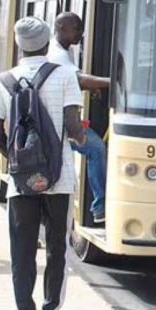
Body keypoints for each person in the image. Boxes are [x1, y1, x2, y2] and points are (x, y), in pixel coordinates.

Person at [0, 17, 85, 310]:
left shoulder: (2, 81)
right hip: (60, 178)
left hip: (21, 183)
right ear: (47, 42)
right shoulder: (66, 75)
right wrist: (80, 140)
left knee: (22, 249)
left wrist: (20, 163)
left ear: (18, 44)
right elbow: (73, 127)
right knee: (57, 247)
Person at [48, 12, 108, 224]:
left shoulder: (65, 50)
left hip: (59, 119)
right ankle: (100, 207)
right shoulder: (57, 54)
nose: (81, 33)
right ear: (62, 28)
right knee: (97, 148)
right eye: (77, 29)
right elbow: (78, 79)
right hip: (59, 123)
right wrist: (112, 82)